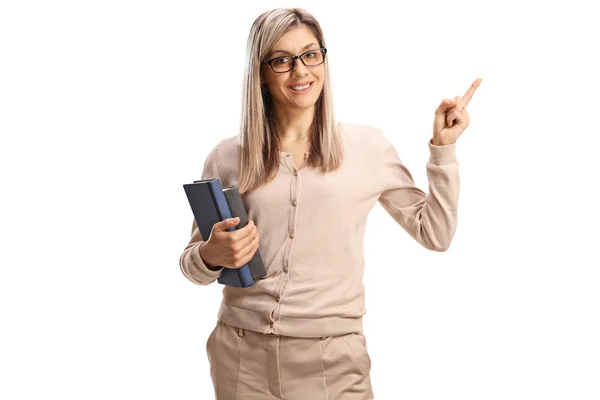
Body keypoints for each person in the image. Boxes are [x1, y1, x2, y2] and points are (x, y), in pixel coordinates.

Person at [179, 7, 481, 400]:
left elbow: (435, 234)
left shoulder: (368, 147)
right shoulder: (228, 156)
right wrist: (211, 254)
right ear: (261, 73)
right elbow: (193, 267)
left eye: (310, 54)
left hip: (333, 359)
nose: (301, 71)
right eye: (282, 60)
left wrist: (443, 149)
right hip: (240, 355)